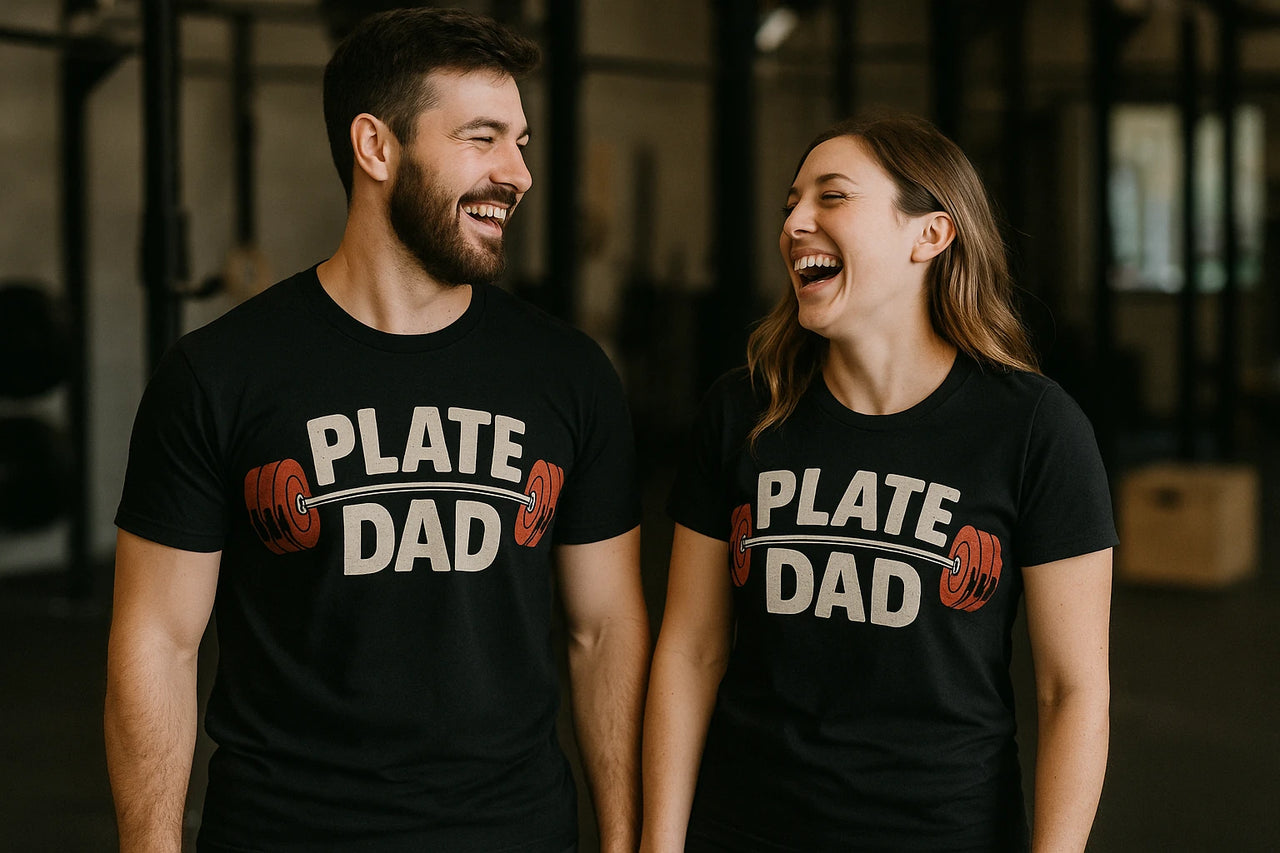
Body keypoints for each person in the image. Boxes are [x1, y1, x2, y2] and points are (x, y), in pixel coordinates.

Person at [104, 9, 650, 853]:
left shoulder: (568, 375)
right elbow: (159, 640)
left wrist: (623, 840)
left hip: (513, 832)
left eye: (522, 140)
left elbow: (604, 627)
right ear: (376, 147)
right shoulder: (220, 373)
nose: (519, 173)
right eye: (483, 138)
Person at [641, 113, 1114, 852]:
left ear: (929, 235)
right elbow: (691, 647)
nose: (795, 222)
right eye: (791, 203)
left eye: (832, 197)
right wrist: (658, 844)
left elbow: (1072, 690)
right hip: (746, 826)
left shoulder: (1034, 429)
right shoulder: (743, 410)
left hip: (943, 830)